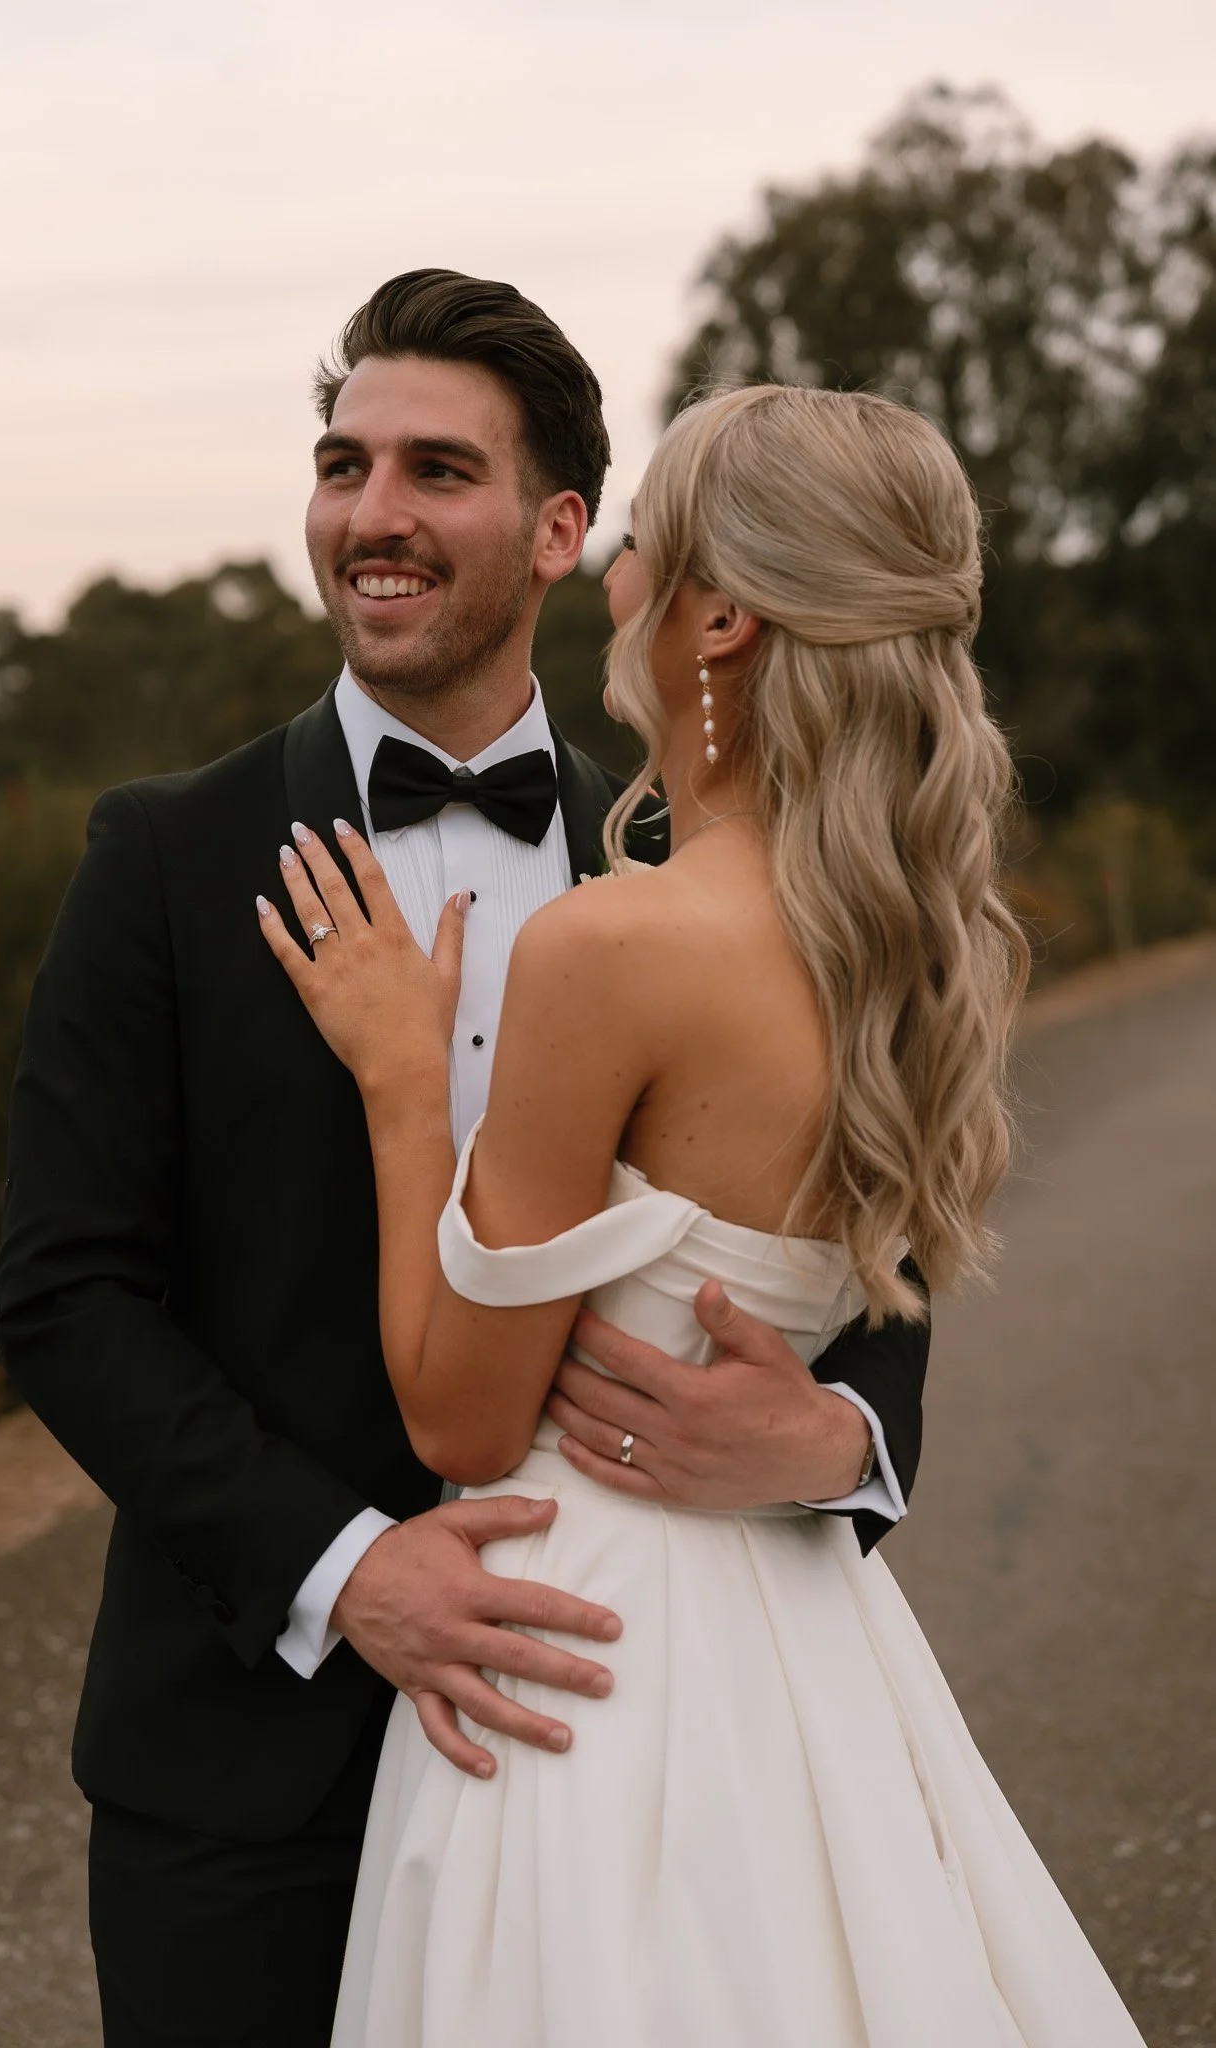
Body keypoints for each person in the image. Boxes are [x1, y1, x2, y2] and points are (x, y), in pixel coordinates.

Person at [0, 272, 930, 2048]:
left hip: (617, 1741)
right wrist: (353, 1568)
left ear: (562, 528)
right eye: (343, 465)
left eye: (438, 470)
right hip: (245, 1764)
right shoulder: (168, 858)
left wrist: (849, 1436)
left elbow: (865, 1231)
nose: (372, 517)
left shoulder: (693, 871)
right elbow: (66, 1296)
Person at [258, 380, 1147, 2045]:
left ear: (720, 614)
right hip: (805, 1642)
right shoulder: (908, 943)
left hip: (574, 1642)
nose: (617, 571)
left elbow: (459, 1402)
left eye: (644, 532)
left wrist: (399, 1090)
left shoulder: (612, 947)